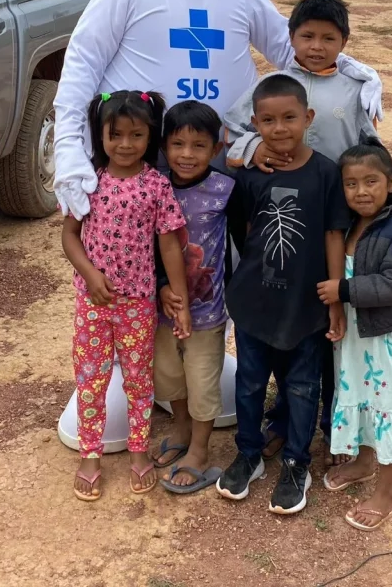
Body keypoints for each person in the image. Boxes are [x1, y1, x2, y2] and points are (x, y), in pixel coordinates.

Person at [54, 0, 383, 449]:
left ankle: (206, 372)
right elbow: (80, 69)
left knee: (216, 271)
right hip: (143, 171)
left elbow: (294, 52)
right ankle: (127, 385)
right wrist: (72, 160)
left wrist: (357, 72)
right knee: (130, 275)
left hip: (225, 170)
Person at [225, 0, 377, 466]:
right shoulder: (274, 85)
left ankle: (333, 426)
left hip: (336, 217)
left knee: (329, 324)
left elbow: (370, 148)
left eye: (328, 38)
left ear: (344, 42)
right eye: (306, 36)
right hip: (285, 215)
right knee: (290, 321)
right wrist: (253, 148)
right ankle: (281, 422)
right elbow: (232, 130)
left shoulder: (355, 89)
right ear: (290, 38)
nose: (316, 46)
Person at [216, 74, 351, 516]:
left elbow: (334, 234)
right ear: (255, 124)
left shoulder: (326, 173)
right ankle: (248, 454)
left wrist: (335, 296)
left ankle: (296, 463)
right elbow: (243, 231)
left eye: (289, 118)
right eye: (268, 120)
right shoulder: (251, 174)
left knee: (302, 387)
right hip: (255, 302)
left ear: (307, 118)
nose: (279, 128)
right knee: (250, 383)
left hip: (306, 305)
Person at [61, 89, 191, 502]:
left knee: (138, 379)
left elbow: (169, 245)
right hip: (93, 303)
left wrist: (180, 298)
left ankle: (138, 450)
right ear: (100, 134)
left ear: (149, 137)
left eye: (136, 135)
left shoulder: (156, 185)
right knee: (91, 378)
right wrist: (90, 275)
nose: (124, 144)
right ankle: (90, 455)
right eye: (115, 134)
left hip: (138, 303)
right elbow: (69, 236)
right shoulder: (88, 182)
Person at [317, 137, 392, 531]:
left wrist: (344, 290)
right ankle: (365, 462)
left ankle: (386, 493)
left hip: (386, 339)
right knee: (362, 397)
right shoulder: (349, 225)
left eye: (371, 181)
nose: (361, 191)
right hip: (354, 337)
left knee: (386, 404)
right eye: (351, 183)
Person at [151, 101, 241, 494]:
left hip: (207, 311)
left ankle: (200, 452)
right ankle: (182, 430)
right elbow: (143, 246)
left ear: (216, 149)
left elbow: (246, 240)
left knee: (202, 380)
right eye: (177, 144)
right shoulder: (154, 186)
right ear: (163, 146)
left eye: (199, 146)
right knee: (169, 375)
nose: (187, 154)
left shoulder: (226, 189)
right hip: (161, 308)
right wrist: (160, 287)